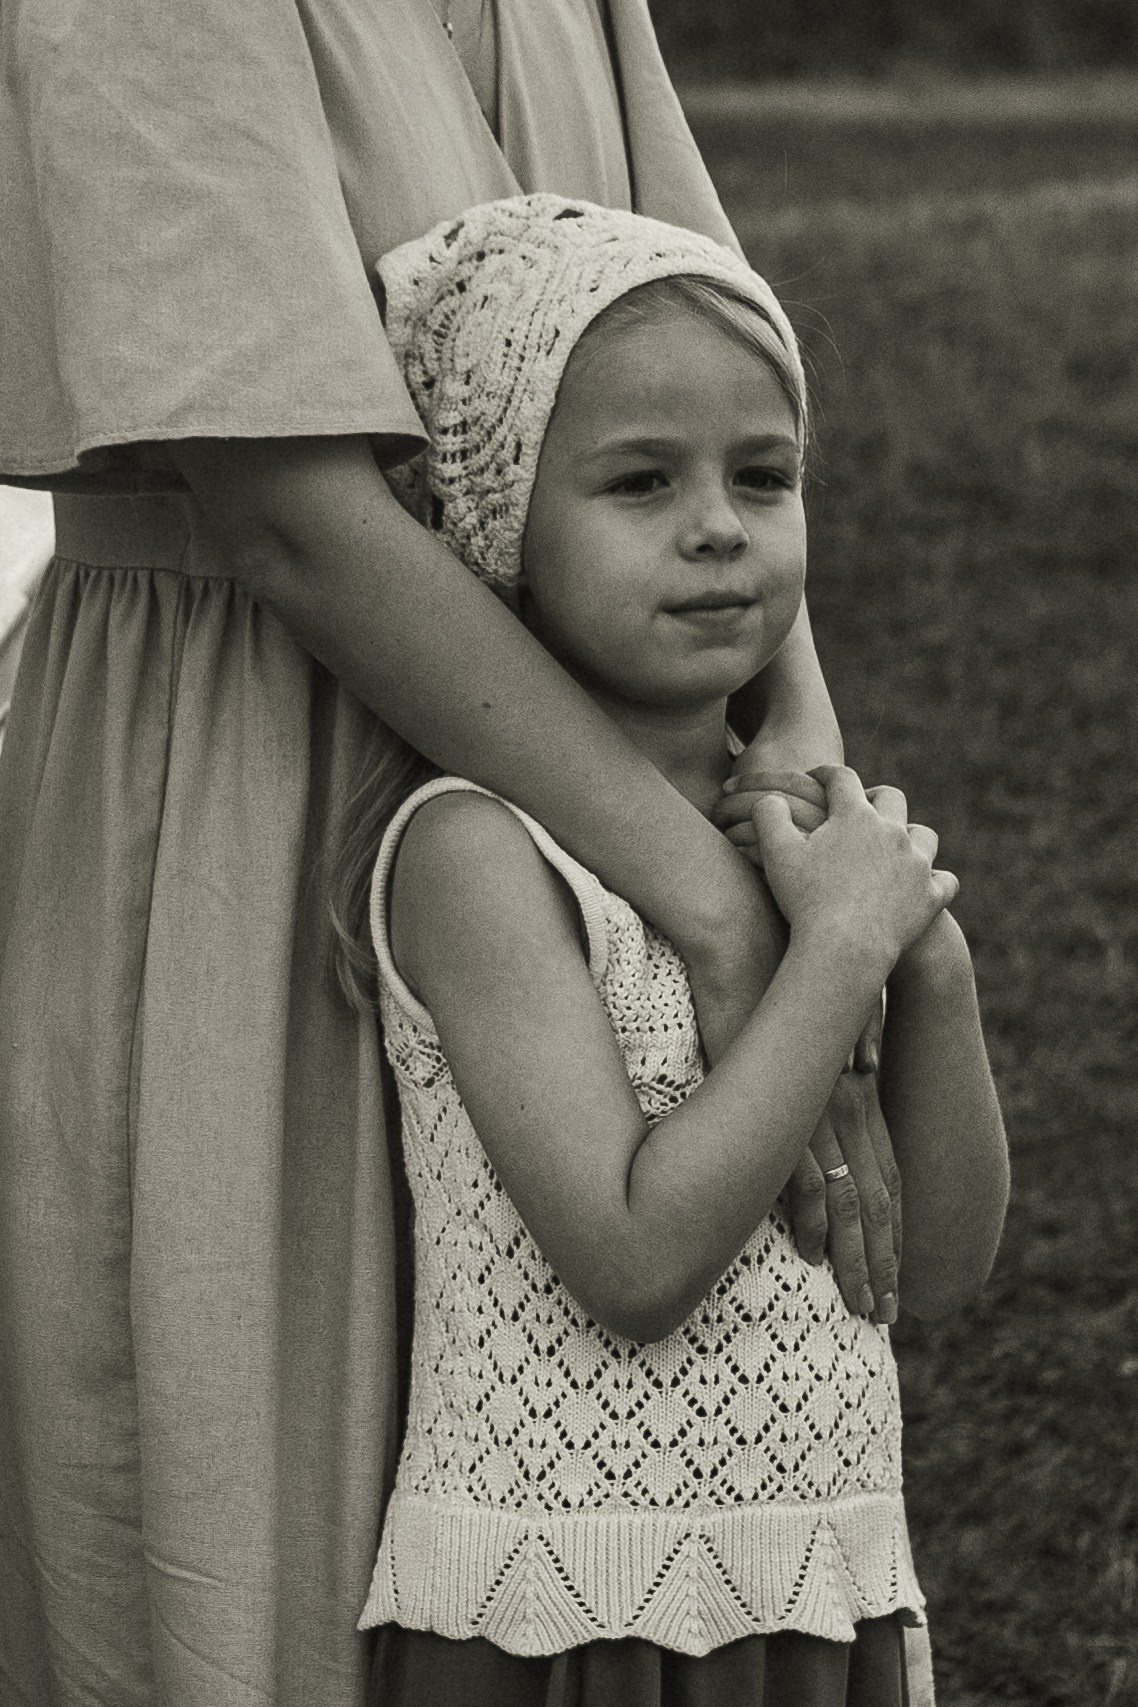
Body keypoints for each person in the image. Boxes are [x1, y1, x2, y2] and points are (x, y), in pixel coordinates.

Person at [1, 6, 901, 1703]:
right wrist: (717, 906)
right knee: (276, 1524)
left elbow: (696, 364)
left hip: (609, 749)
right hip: (254, 776)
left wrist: (799, 781)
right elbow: (284, 510)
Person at [347, 194, 1010, 1706]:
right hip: (564, 1610)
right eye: (638, 482)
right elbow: (632, 1262)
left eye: (762, 477)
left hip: (818, 1590)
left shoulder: (803, 851)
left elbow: (947, 1263)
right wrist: (836, 957)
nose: (717, 525)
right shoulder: (480, 855)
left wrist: (931, 969)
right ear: (506, 524)